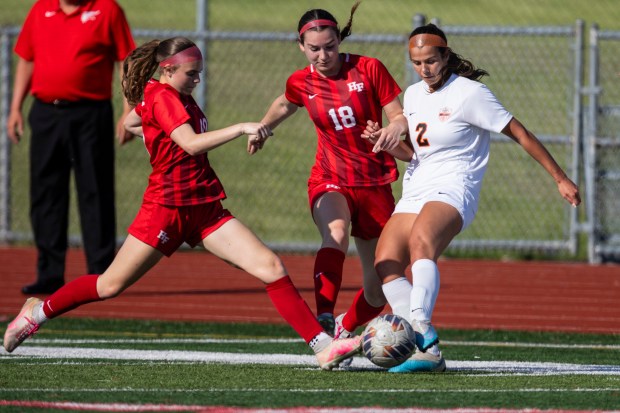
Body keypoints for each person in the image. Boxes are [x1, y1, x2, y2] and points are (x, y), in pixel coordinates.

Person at [3, 37, 361, 370]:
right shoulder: (163, 96)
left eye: (199, 74)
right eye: (191, 74)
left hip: (203, 205)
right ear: (168, 70)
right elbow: (190, 144)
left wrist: (151, 131)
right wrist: (238, 128)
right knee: (109, 286)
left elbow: (130, 120)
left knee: (270, 266)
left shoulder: (171, 95)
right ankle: (38, 313)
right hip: (167, 208)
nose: (197, 80)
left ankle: (322, 346)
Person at [365, 23, 581, 373]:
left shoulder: (470, 93)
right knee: (385, 262)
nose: (425, 69)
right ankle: (422, 349)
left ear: (446, 55)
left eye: (431, 61)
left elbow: (520, 133)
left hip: (454, 186)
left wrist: (560, 178)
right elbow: (414, 154)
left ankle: (423, 333)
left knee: (423, 242)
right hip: (417, 187)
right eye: (417, 62)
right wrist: (389, 144)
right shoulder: (414, 94)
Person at [250, 2, 413, 339]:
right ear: (301, 46)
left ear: (339, 41)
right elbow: (285, 102)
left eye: (329, 47)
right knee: (335, 232)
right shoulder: (300, 81)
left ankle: (342, 328)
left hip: (375, 183)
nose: (322, 56)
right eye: (313, 49)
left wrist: (393, 129)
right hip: (330, 177)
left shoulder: (368, 69)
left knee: (377, 291)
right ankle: (323, 316)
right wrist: (263, 127)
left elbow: (398, 115)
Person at [7, 0, 136, 295]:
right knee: (46, 194)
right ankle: (49, 273)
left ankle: (101, 274)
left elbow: (125, 60)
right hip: (46, 113)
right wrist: (15, 107)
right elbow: (27, 58)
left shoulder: (107, 9)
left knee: (95, 191)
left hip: (90, 114)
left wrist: (128, 109)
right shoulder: (41, 9)